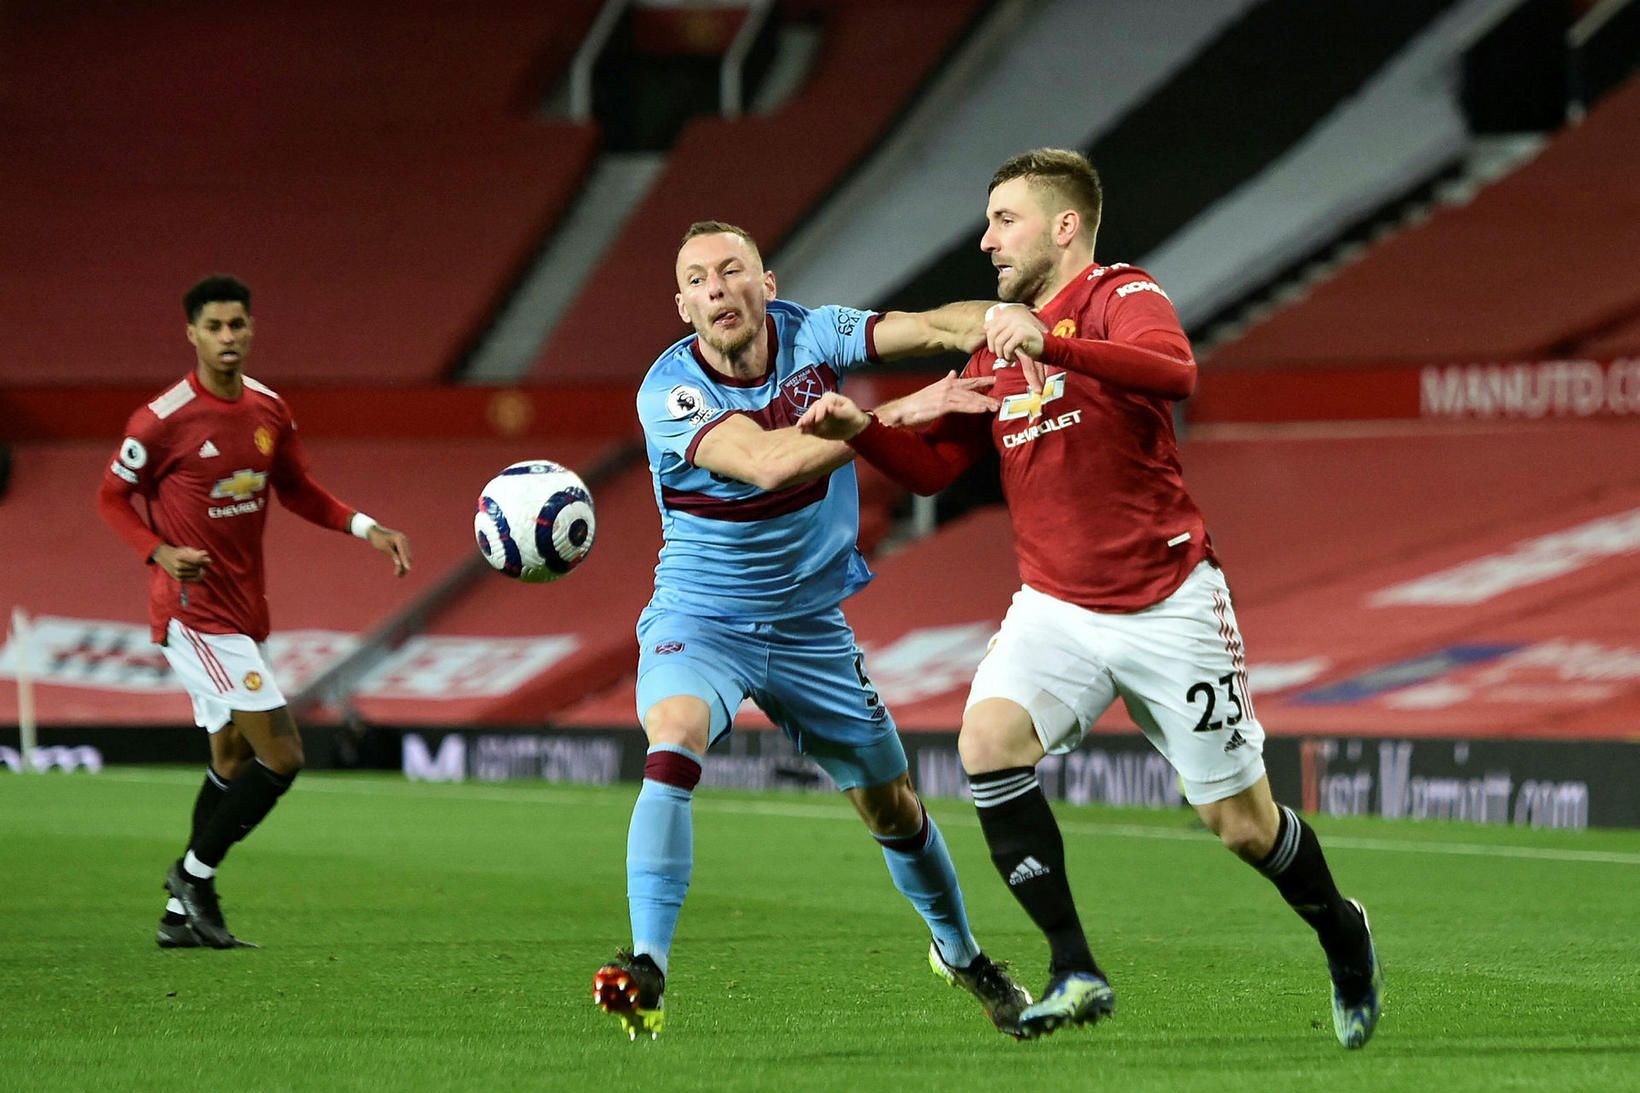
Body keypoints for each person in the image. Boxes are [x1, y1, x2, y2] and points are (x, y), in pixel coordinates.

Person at [796, 149, 1383, 1048]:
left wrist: (1054, 341)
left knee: (1241, 824)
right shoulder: (1003, 337)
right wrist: (865, 431)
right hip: (1057, 605)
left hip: (1169, 598)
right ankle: (1075, 966)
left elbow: (1175, 371)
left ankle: (1342, 930)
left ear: (1064, 226)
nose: (987, 240)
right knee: (986, 741)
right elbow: (938, 467)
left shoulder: (1121, 293)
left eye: (1005, 219)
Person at [592, 221, 1029, 1041]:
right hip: (702, 615)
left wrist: (1032, 320)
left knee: (892, 806)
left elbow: (935, 325)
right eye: (699, 279)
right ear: (682, 305)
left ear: (768, 281)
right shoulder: (669, 391)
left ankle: (962, 953)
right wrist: (898, 411)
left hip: (807, 626)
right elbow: (765, 463)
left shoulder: (815, 332)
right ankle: (647, 962)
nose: (718, 288)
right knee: (675, 733)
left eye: (733, 270)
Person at [96, 275, 412, 950]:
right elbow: (110, 499)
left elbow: (296, 488)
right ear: (192, 333)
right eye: (214, 326)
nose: (229, 337)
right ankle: (192, 875)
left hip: (241, 609)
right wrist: (158, 551)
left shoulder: (269, 409)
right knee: (284, 753)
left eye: (238, 324)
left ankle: (180, 919)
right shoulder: (162, 419)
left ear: (251, 327)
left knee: (234, 758)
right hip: (194, 612)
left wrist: (366, 527)